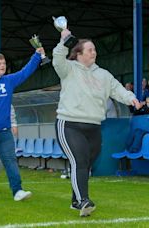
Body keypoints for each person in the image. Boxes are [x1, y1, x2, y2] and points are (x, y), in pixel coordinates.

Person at [52, 29, 141, 217]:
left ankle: (76, 200)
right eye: (90, 49)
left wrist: (131, 98)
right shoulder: (68, 68)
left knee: (87, 163)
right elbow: (57, 59)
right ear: (79, 54)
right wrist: (63, 41)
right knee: (79, 161)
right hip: (69, 124)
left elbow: (118, 90)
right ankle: (84, 200)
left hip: (94, 127)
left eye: (94, 50)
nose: (94, 52)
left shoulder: (104, 75)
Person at [0, 46, 45, 202]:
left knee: (10, 161)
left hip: (4, 132)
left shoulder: (8, 81)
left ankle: (17, 191)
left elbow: (25, 72)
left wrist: (37, 56)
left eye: (3, 63)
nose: (3, 66)